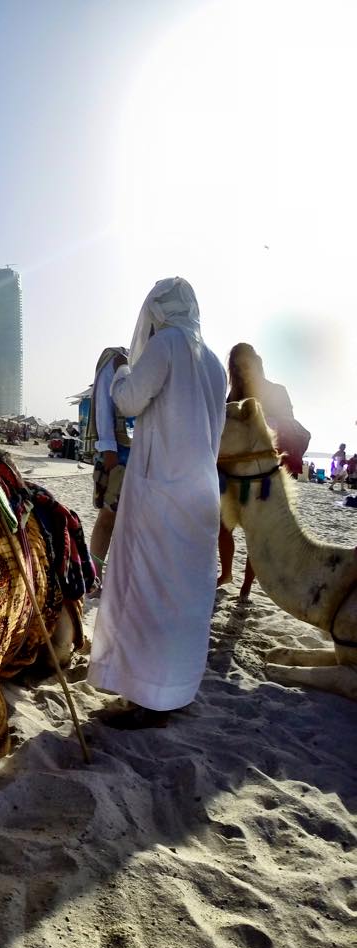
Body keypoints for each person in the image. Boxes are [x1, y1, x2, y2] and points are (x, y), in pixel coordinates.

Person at [88, 278, 227, 729]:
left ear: (158, 311)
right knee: (184, 598)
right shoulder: (213, 362)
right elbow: (214, 433)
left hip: (162, 491)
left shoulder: (167, 344)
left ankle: (147, 698)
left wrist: (123, 371)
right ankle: (174, 691)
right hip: (201, 492)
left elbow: (128, 403)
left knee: (149, 591)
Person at [217, 343, 310, 597]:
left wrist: (262, 421)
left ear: (256, 362)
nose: (241, 370)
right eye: (235, 366)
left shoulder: (277, 391)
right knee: (223, 525)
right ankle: (226, 573)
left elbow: (289, 425)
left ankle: (247, 585)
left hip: (263, 472)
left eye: (244, 363)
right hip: (232, 472)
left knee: (255, 530)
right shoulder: (233, 395)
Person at [84, 346, 132, 583]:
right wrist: (110, 449)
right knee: (108, 516)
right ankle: (95, 577)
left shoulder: (153, 361)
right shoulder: (116, 358)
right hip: (118, 453)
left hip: (142, 454)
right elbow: (103, 404)